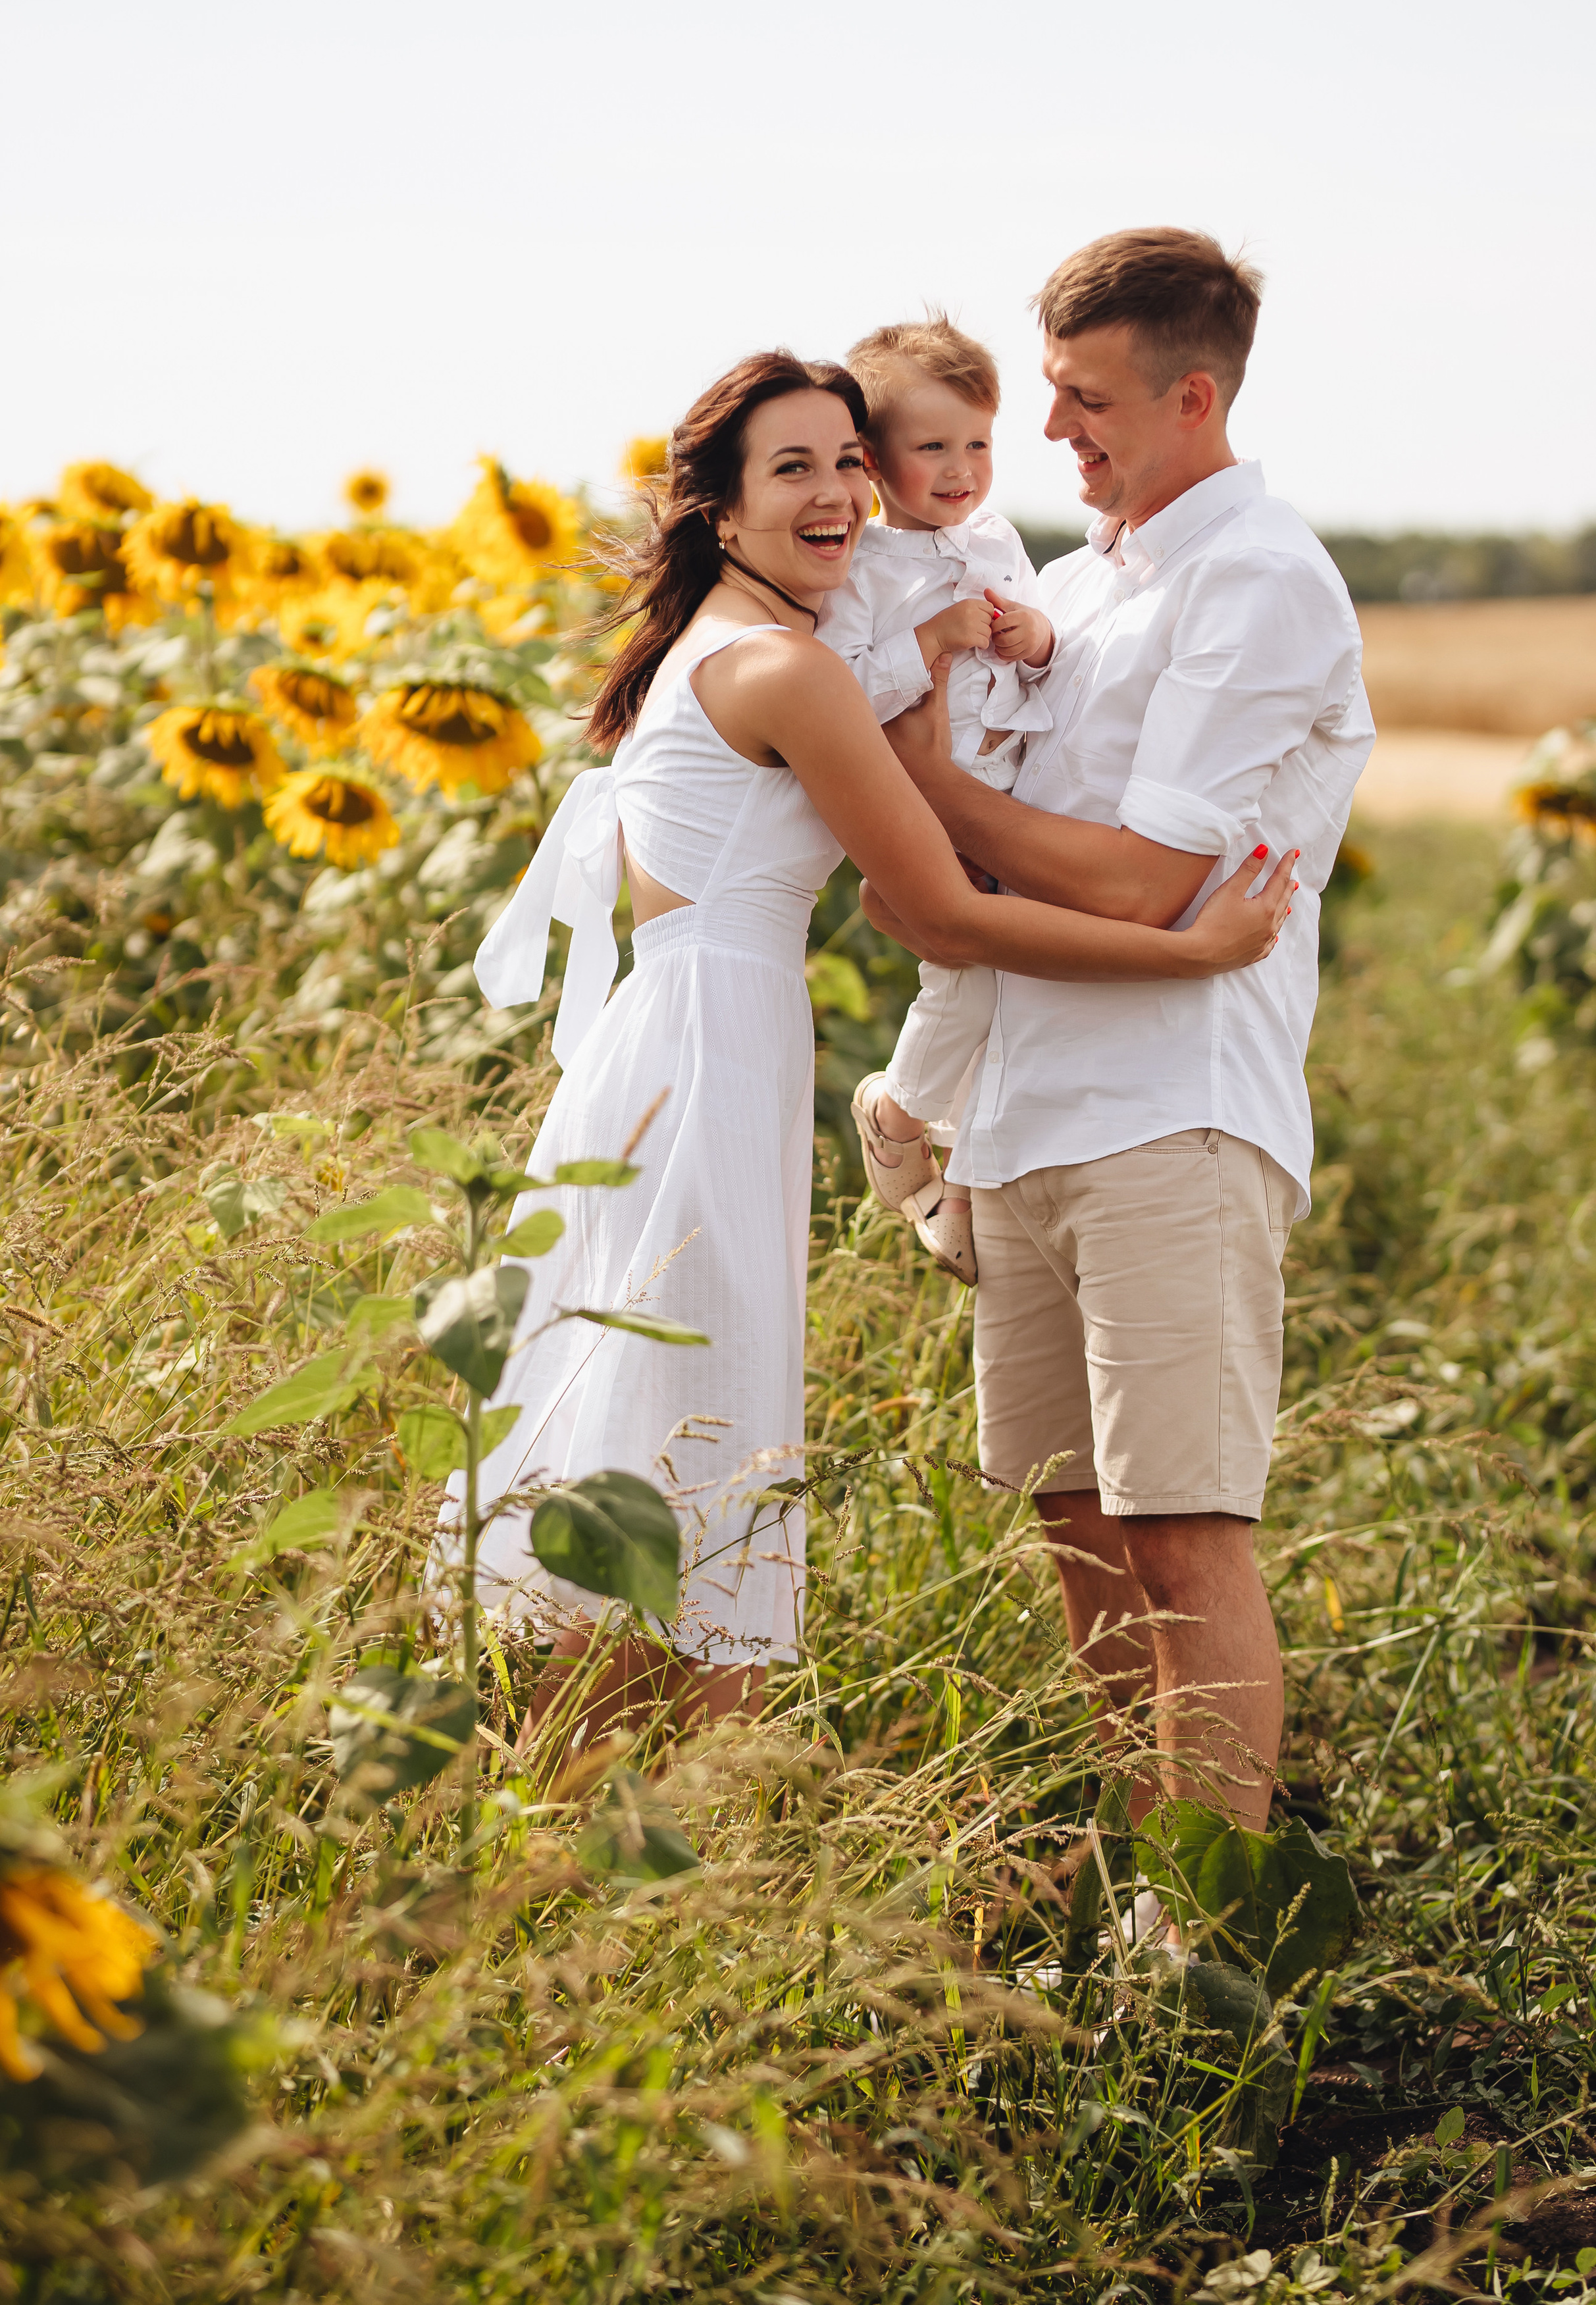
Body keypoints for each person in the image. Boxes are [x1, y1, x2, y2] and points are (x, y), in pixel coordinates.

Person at [464, 344, 1299, 1748]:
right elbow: (941, 917)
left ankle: (608, 1816)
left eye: (851, 459)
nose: (841, 491)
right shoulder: (785, 670)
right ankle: (638, 1817)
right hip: (707, 1062)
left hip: (678, 1045)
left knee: (650, 1426)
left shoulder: (735, 648)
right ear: (717, 512)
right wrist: (1184, 951)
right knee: (695, 1428)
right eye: (792, 467)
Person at [867, 228, 1376, 1834]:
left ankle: (1207, 1937)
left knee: (1180, 1534)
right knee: (1079, 1531)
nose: (1050, 433)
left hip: (1172, 1113)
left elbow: (1154, 887)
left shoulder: (1262, 580)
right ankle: (1137, 1880)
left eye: (1083, 400)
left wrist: (929, 801)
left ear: (1192, 395)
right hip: (1025, 1112)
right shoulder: (1070, 585)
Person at [815, 314, 1056, 1287]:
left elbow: (1056, 666)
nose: (962, 469)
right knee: (968, 974)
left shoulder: (996, 538)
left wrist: (1034, 637)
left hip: (1015, 792)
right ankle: (898, 1114)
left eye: (979, 444)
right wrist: (940, 639)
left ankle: (963, 1182)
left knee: (1020, 996)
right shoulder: (865, 569)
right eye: (933, 448)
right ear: (871, 462)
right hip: (919, 804)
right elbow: (842, 694)